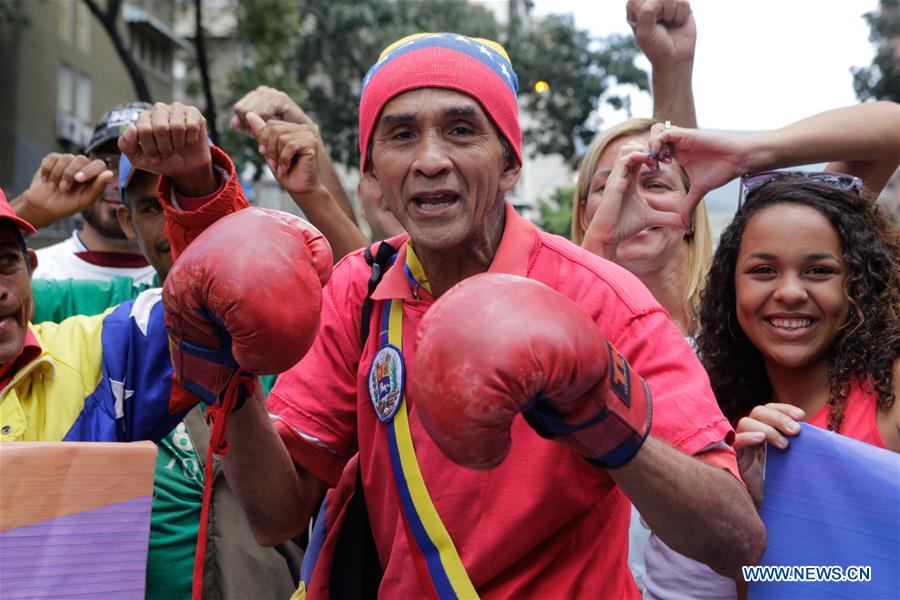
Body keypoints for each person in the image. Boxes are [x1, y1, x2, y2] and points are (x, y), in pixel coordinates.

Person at [198, 33, 765, 598]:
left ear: (510, 163)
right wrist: (228, 373)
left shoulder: (600, 298)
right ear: (371, 173)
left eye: (461, 130)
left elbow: (736, 537)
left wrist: (606, 420)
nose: (430, 160)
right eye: (402, 135)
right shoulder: (358, 289)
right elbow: (277, 517)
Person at [12, 102, 156, 284]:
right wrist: (28, 210)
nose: (120, 183)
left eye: (141, 168)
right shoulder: (32, 272)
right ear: (83, 163)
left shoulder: (183, 275)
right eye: (108, 162)